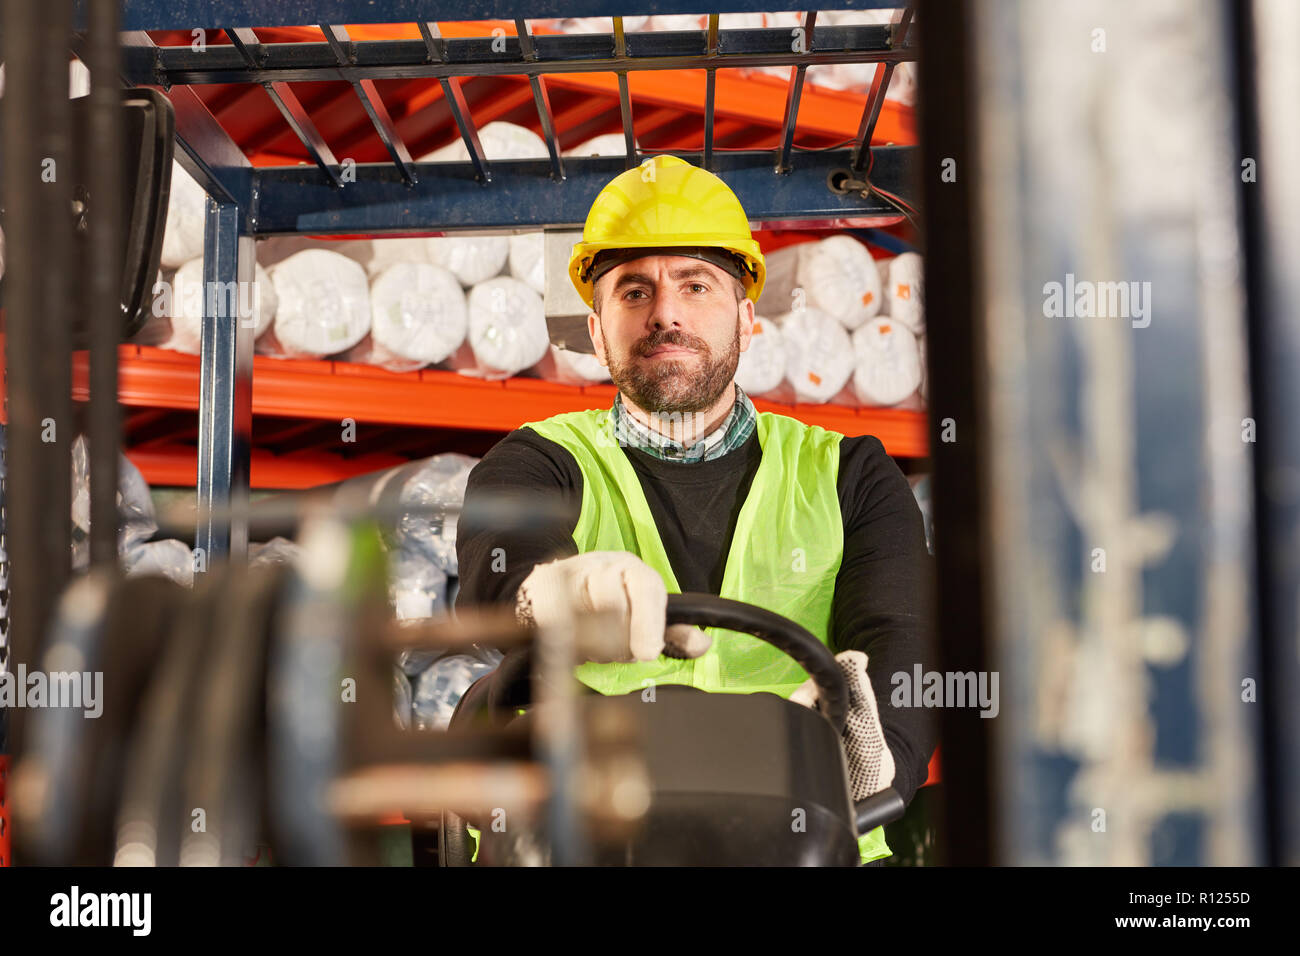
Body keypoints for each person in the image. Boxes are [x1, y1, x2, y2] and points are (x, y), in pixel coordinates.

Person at [455, 155, 935, 864]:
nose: (666, 313)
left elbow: (902, 639)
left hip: (801, 835)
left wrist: (870, 756)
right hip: (582, 835)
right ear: (596, 331)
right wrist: (550, 594)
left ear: (747, 322)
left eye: (695, 284)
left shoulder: (850, 475)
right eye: (634, 291)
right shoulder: (537, 460)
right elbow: (502, 568)